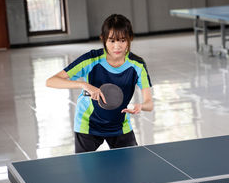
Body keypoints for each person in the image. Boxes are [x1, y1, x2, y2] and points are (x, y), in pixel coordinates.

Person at [46, 14, 153, 153]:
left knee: (131, 169)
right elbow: (51, 81)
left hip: (120, 125)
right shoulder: (91, 60)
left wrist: (140, 106)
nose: (117, 46)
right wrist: (84, 85)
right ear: (103, 39)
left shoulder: (137, 65)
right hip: (88, 124)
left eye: (122, 40)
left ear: (129, 39)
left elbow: (149, 104)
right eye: (112, 40)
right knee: (85, 171)